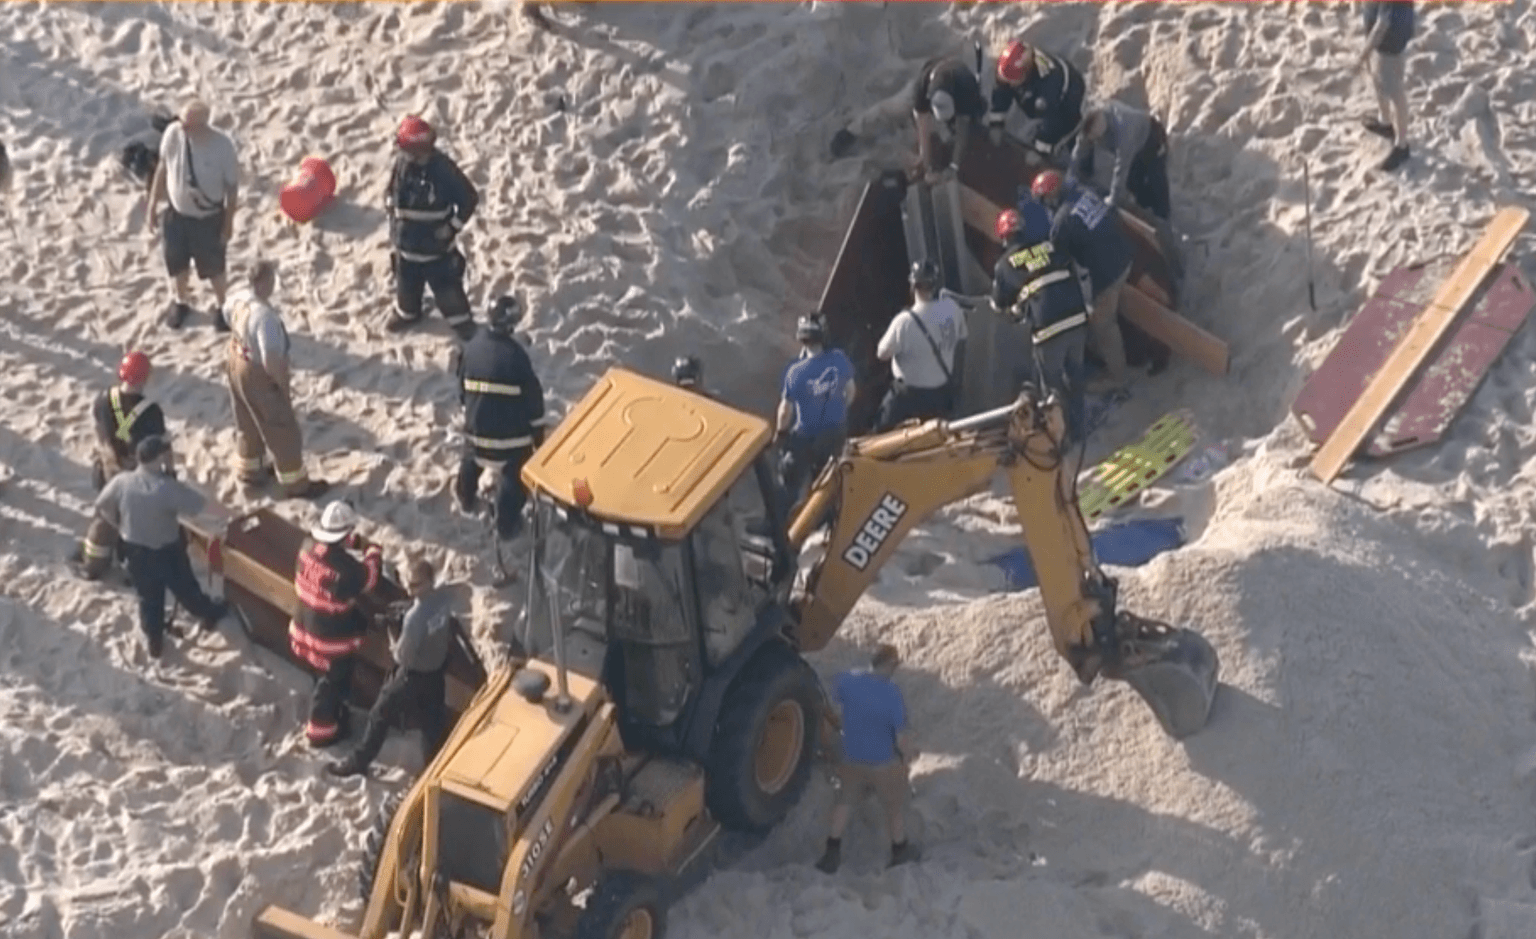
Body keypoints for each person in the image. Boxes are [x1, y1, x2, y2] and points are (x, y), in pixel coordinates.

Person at [93, 435, 230, 658]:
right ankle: (207, 613)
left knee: (148, 599)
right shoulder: (167, 488)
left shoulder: (122, 481)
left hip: (134, 551)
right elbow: (203, 507)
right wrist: (228, 515)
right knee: (186, 589)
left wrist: (118, 525)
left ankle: (154, 640)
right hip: (167, 553)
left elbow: (102, 505)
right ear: (158, 459)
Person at [326, 558, 455, 778]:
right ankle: (439, 768)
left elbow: (401, 656)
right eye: (410, 584)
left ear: (430, 582)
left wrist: (392, 637)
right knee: (434, 724)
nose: (411, 590)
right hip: (437, 673)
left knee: (379, 714)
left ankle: (359, 761)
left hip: (412, 677)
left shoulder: (414, 619)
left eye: (417, 585)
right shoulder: (443, 600)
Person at [225, 260, 331, 499]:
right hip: (256, 371)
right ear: (263, 284)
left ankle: (250, 470)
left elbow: (225, 317)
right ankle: (296, 484)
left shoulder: (236, 298)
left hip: (235, 359)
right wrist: (282, 388)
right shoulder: (266, 319)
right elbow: (271, 360)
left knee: (246, 419)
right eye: (272, 281)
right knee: (281, 428)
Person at [815, 643, 918, 874]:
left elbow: (830, 706)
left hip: (851, 759)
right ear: (890, 665)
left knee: (844, 802)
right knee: (894, 806)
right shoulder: (892, 694)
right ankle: (900, 850)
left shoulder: (848, 680)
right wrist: (909, 755)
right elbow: (901, 738)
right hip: (882, 762)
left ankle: (832, 852)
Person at [453, 295, 548, 541]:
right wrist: (538, 437)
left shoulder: (471, 348)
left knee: (471, 455)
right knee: (515, 471)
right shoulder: (516, 357)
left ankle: (465, 494)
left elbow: (462, 394)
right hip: (509, 444)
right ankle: (506, 522)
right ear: (513, 324)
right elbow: (534, 403)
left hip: (475, 436)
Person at [992, 209, 1091, 444]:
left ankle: (1061, 440)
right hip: (1077, 318)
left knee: (1052, 389)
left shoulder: (1004, 265)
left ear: (1003, 238)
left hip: (1048, 329)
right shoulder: (1048, 245)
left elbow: (998, 306)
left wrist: (1015, 308)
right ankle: (1080, 429)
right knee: (1075, 375)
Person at [291, 501, 384, 748]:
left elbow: (330, 554)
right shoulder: (347, 571)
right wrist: (373, 551)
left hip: (302, 626)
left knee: (321, 675)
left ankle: (331, 711)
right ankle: (321, 731)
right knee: (331, 683)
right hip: (329, 642)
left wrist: (352, 543)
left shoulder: (306, 547)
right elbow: (370, 578)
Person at [72, 351, 170, 579]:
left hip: (108, 470)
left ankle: (94, 562)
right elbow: (162, 448)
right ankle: (131, 570)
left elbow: (100, 431)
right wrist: (169, 474)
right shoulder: (151, 413)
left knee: (105, 517)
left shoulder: (104, 399)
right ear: (145, 378)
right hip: (135, 478)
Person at [1035, 169, 1133, 394]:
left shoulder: (1061, 222)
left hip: (1110, 272)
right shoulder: (1084, 192)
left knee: (1103, 324)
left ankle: (1118, 378)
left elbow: (1060, 263)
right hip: (1124, 251)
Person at [147, 99, 241, 331]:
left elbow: (232, 188)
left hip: (208, 219)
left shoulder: (222, 147)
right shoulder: (173, 134)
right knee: (176, 262)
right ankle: (181, 302)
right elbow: (162, 167)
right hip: (177, 214)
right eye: (181, 122)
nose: (182, 128)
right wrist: (151, 204)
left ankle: (223, 306)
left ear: (203, 125)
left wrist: (228, 223)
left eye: (188, 125)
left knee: (214, 267)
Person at [385, 115, 480, 338]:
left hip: (437, 253)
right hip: (406, 250)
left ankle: (461, 322)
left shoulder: (444, 170)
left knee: (448, 291)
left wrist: (451, 228)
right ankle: (408, 313)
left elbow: (469, 198)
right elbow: (391, 190)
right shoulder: (401, 165)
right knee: (406, 288)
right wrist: (391, 210)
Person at [830, 55, 987, 183]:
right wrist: (926, 165)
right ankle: (852, 131)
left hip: (958, 91)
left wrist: (954, 167)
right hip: (927, 81)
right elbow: (923, 125)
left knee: (960, 137)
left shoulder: (966, 89)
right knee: (894, 109)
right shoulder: (922, 89)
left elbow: (963, 129)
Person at [874, 259, 966, 430]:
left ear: (913, 286)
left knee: (880, 430)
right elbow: (962, 336)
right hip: (941, 393)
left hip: (908, 397)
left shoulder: (904, 321)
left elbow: (882, 353)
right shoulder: (952, 309)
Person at [777, 315, 855, 506]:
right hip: (835, 432)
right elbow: (851, 391)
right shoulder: (839, 359)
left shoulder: (796, 372)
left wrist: (780, 434)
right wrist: (840, 413)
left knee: (788, 473)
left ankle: (777, 520)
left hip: (806, 436)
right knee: (826, 478)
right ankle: (822, 518)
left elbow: (785, 412)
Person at [1068, 101, 1171, 224]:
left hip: (1151, 139)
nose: (1094, 139)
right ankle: (1144, 208)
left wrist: (1112, 200)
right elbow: (1080, 147)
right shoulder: (1092, 127)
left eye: (1095, 135)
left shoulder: (1123, 127)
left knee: (1156, 179)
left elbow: (1121, 167)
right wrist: (1071, 177)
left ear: (1100, 124)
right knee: (1134, 184)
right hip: (1134, 149)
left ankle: (1163, 218)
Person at [988, 40, 1087, 158]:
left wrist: (1039, 152)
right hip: (1041, 90)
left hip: (1069, 96)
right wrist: (996, 124)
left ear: (1025, 74)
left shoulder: (1047, 88)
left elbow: (1051, 122)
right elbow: (1002, 88)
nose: (1008, 84)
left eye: (1012, 81)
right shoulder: (1012, 68)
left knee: (1070, 129)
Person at [1359, 0, 1415, 171]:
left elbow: (1383, 24)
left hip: (1389, 41)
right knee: (1378, 79)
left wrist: (1364, 52)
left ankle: (1402, 145)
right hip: (1381, 34)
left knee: (1395, 92)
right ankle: (1385, 123)